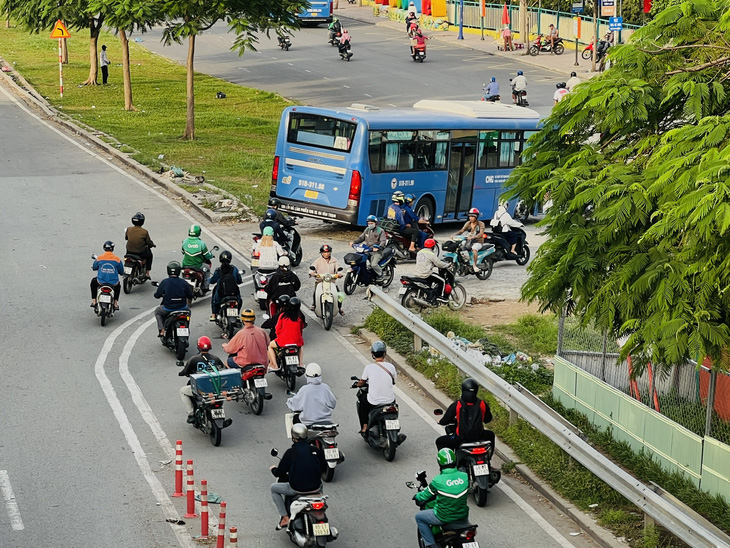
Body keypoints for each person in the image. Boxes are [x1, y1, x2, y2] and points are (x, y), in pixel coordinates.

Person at [269, 423, 326, 530]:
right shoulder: (316, 450)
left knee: (273, 488)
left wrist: (273, 468)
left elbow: (279, 473)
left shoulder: (291, 453)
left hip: (297, 489)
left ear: (294, 437)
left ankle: (285, 517)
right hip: (316, 488)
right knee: (320, 483)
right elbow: (323, 469)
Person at [413, 448, 469, 548]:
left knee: (419, 517)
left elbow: (424, 495)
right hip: (462, 515)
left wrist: (417, 496)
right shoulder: (464, 477)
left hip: (443, 516)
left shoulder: (437, 481)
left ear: (439, 463)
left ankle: (431, 544)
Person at [435, 378, 495, 455]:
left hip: (460, 438)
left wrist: (440, 421)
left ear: (463, 389)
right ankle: (489, 457)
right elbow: (488, 419)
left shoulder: (458, 404)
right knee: (491, 434)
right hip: (479, 437)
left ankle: (449, 462)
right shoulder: (482, 404)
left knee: (440, 441)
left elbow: (445, 420)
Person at [178, 336, 228, 424]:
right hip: (215, 387)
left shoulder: (194, 359)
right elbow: (223, 370)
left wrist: (182, 373)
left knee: (183, 391)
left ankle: (191, 414)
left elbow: (185, 371)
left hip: (200, 389)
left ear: (198, 347)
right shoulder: (216, 359)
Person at [356, 341, 397, 435]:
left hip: (373, 402)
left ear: (372, 354)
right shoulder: (391, 366)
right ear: (384, 353)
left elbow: (362, 381)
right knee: (394, 403)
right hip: (389, 400)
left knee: (362, 402)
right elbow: (393, 380)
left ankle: (365, 427)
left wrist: (358, 384)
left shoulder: (369, 368)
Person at [153, 261, 193, 338]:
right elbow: (190, 295)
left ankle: (161, 329)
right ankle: (186, 328)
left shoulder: (165, 282)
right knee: (189, 312)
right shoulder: (183, 282)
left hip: (168, 308)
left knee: (157, 311)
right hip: (182, 308)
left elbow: (157, 295)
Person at [267, 296, 306, 371]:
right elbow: (301, 329)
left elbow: (277, 329)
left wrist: (279, 337)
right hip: (297, 341)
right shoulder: (300, 316)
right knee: (301, 346)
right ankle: (300, 363)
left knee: (270, 346)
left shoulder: (283, 316)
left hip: (283, 341)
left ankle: (274, 365)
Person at [209, 250, 244, 323]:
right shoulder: (234, 269)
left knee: (214, 300)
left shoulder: (218, 270)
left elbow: (212, 281)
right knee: (239, 300)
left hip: (221, 294)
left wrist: (208, 280)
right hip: (234, 294)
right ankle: (237, 314)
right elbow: (239, 280)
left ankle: (213, 315)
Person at [309, 244, 344, 316]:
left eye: (328, 252)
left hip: (331, 281)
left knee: (339, 295)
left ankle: (339, 308)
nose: (326, 254)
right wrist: (312, 273)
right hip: (320, 281)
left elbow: (339, 268)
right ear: (321, 253)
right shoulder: (318, 261)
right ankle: (314, 304)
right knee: (316, 292)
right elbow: (312, 268)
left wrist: (339, 273)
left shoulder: (334, 260)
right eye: (324, 252)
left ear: (330, 252)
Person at [350, 215, 387, 280]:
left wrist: (379, 247)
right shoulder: (367, 229)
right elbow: (361, 238)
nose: (370, 224)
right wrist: (354, 242)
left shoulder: (380, 231)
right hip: (367, 250)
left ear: (375, 223)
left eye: (371, 223)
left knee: (373, 265)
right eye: (368, 223)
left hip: (377, 251)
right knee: (359, 260)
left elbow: (383, 241)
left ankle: (381, 275)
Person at [91, 240, 124, 310]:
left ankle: (94, 301)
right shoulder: (117, 259)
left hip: (101, 281)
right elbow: (121, 271)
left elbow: (94, 267)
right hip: (113, 283)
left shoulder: (99, 258)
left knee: (93, 282)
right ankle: (115, 303)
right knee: (118, 287)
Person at [181, 224, 214, 291]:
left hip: (185, 265)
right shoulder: (201, 244)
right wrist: (211, 255)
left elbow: (183, 252)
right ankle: (205, 286)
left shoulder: (185, 242)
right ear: (199, 232)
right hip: (197, 265)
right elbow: (207, 255)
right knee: (207, 268)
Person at [125, 212, 155, 280]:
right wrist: (152, 245)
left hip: (129, 252)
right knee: (150, 255)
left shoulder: (128, 229)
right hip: (140, 253)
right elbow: (148, 242)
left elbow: (126, 238)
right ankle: (147, 273)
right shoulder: (144, 232)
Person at [454, 208, 485, 272]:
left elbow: (481, 233)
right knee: (460, 246)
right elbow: (462, 230)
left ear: (476, 217)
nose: (470, 218)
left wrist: (474, 237)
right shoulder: (468, 223)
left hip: (478, 242)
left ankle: (474, 265)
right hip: (469, 241)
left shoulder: (481, 224)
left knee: (474, 249)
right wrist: (454, 235)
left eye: (472, 216)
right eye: (470, 216)